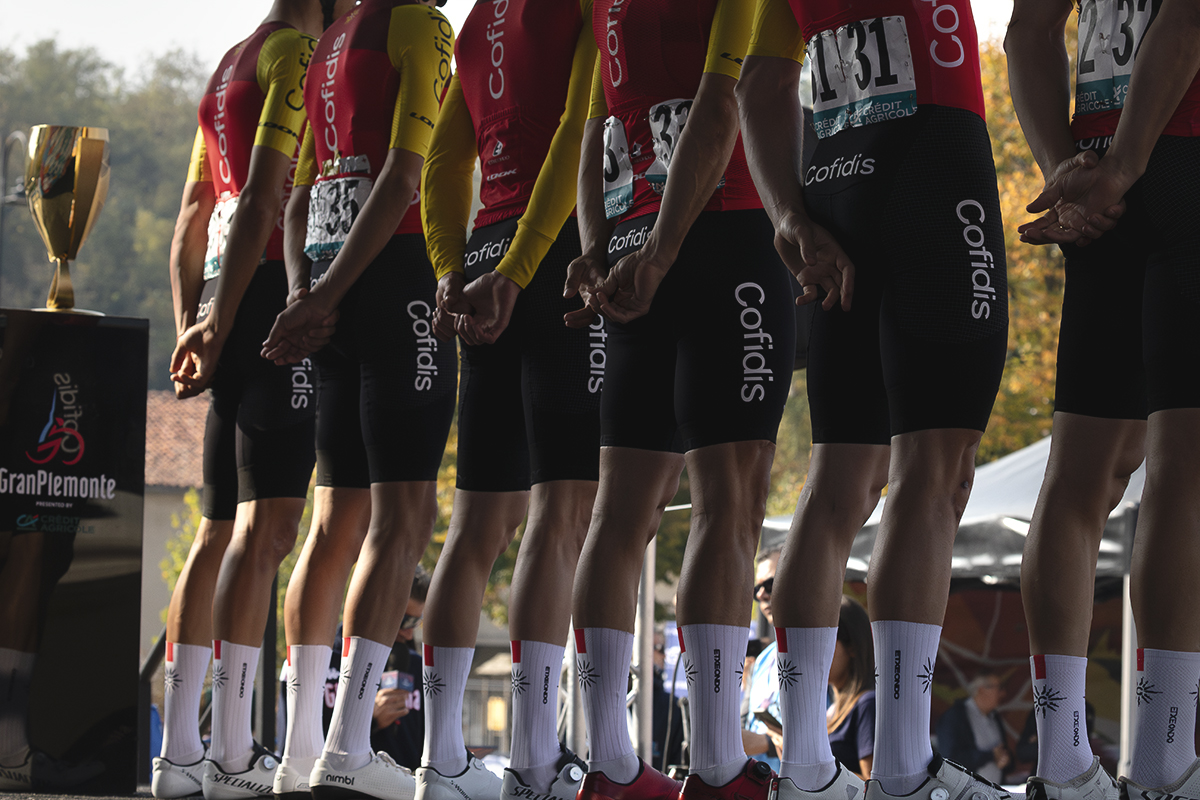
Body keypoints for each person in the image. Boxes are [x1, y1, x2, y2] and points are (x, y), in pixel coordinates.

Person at [736, 2, 1012, 800]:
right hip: (934, 160)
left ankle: (803, 767)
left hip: (830, 183)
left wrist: (788, 216)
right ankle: (900, 769)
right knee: (934, 480)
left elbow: (760, 78)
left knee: (835, 489)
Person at [568, 2, 796, 800]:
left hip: (629, 246)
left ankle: (608, 762)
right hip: (720, 234)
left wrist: (598, 251)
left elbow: (591, 133)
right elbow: (722, 98)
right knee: (728, 504)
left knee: (618, 515)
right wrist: (663, 252)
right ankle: (716, 765)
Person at [258, 1, 456, 798]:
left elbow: (301, 195)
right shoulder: (422, 24)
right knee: (406, 517)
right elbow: (408, 175)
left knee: (333, 522)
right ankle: (346, 748)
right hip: (395, 282)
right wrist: (328, 292)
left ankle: (300, 750)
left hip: (330, 296)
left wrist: (308, 292)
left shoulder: (329, 41)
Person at [1003, 2, 1200, 800]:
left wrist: (1070, 173)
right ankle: (1161, 765)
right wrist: (1121, 163)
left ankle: (1061, 763)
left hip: (1094, 177)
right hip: (1180, 154)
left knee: (1078, 481)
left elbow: (1025, 32)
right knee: (1184, 479)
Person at [413, 2, 600, 800]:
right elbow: (577, 135)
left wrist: (450, 268)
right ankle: (531, 759)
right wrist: (522, 270)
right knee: (563, 513)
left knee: (475, 526)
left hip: (482, 251)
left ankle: (440, 758)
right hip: (543, 256)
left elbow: (443, 161)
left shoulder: (480, 17)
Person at [154, 2, 341, 797]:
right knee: (267, 531)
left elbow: (193, 218)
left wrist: (193, 327)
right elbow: (267, 197)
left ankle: (182, 754)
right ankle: (231, 754)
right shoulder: (296, 55)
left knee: (217, 530)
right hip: (265, 297)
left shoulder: (232, 59)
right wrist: (229, 320)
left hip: (219, 307)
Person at [825, 597, 874, 783]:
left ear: (852, 647)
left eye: (825, 640)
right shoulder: (833, 709)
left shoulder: (867, 704)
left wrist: (821, 766)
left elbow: (873, 787)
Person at [744, 550, 784, 773]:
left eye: (769, 584)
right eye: (756, 590)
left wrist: (766, 744)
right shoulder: (764, 659)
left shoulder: (828, 652)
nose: (761, 595)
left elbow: (837, 732)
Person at [935, 671, 1012, 785]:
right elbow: (949, 759)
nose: (1003, 693)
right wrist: (990, 755)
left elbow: (1006, 755)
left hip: (994, 792)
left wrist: (1005, 759)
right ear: (982, 690)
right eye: (999, 688)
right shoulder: (955, 717)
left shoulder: (995, 717)